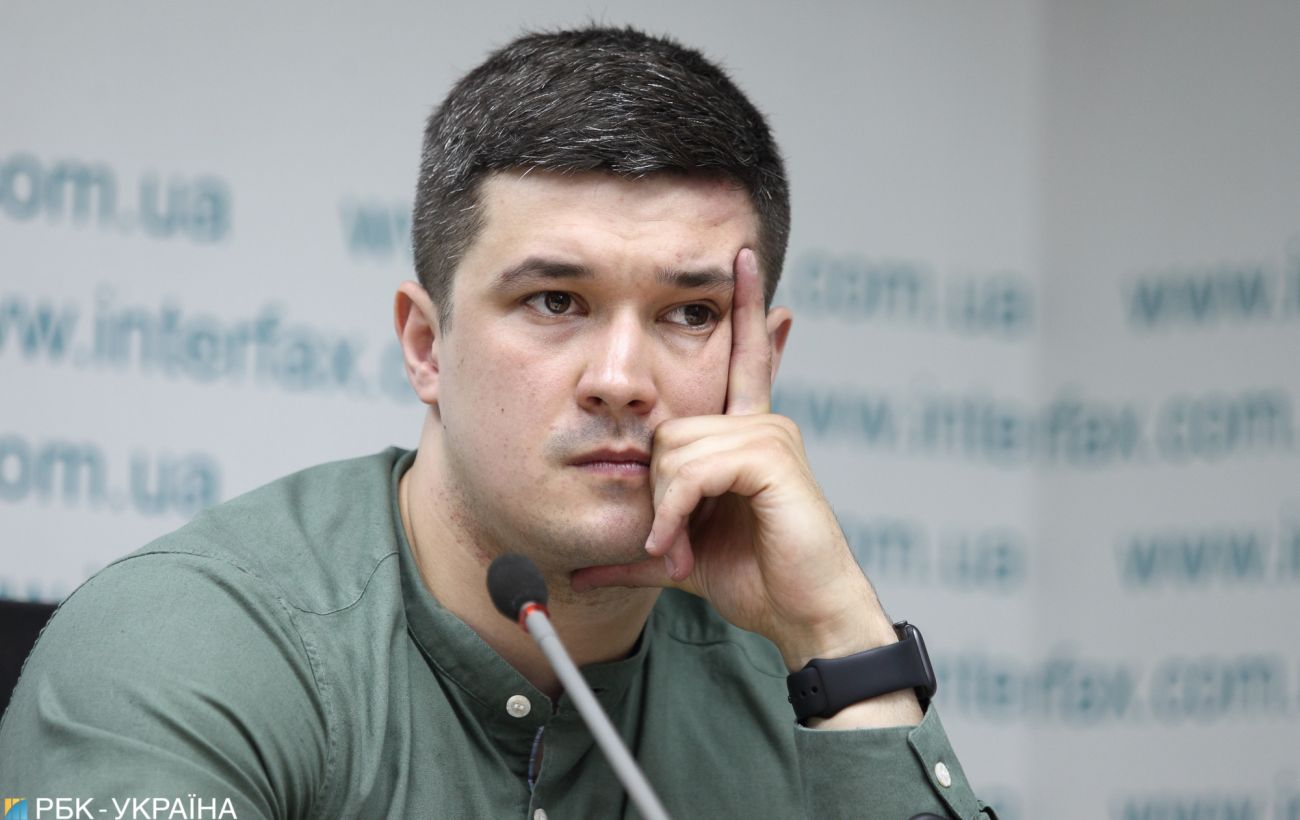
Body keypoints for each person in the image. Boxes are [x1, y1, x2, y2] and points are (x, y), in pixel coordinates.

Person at [0, 26, 995, 820]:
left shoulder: (798, 682)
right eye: (555, 301)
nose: (621, 380)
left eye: (690, 313)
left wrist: (839, 634)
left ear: (759, 362)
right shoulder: (187, 648)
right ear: (425, 346)